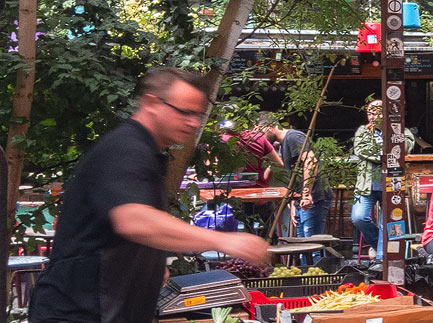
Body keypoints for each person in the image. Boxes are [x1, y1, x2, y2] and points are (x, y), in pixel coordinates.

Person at [29, 67, 269, 322]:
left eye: (198, 115)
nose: (194, 122)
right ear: (151, 103)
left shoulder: (146, 151)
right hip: (77, 312)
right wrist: (224, 241)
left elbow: (115, 230)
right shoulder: (126, 148)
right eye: (185, 112)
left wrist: (149, 267)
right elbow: (134, 220)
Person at [259, 115, 334, 264]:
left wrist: (306, 194)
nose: (262, 138)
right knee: (302, 246)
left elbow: (311, 161)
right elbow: (295, 176)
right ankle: (305, 278)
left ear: (269, 126)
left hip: (314, 196)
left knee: (311, 244)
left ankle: (316, 279)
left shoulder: (293, 137)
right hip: (302, 199)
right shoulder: (283, 144)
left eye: (261, 133)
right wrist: (294, 203)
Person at [350, 100, 414, 259]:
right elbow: (362, 150)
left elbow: (404, 148)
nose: (372, 116)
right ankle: (380, 243)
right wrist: (386, 156)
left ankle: (381, 259)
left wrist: (389, 131)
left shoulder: (401, 130)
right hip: (366, 185)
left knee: (390, 223)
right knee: (358, 217)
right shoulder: (363, 131)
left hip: (392, 185)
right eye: (369, 113)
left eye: (376, 113)